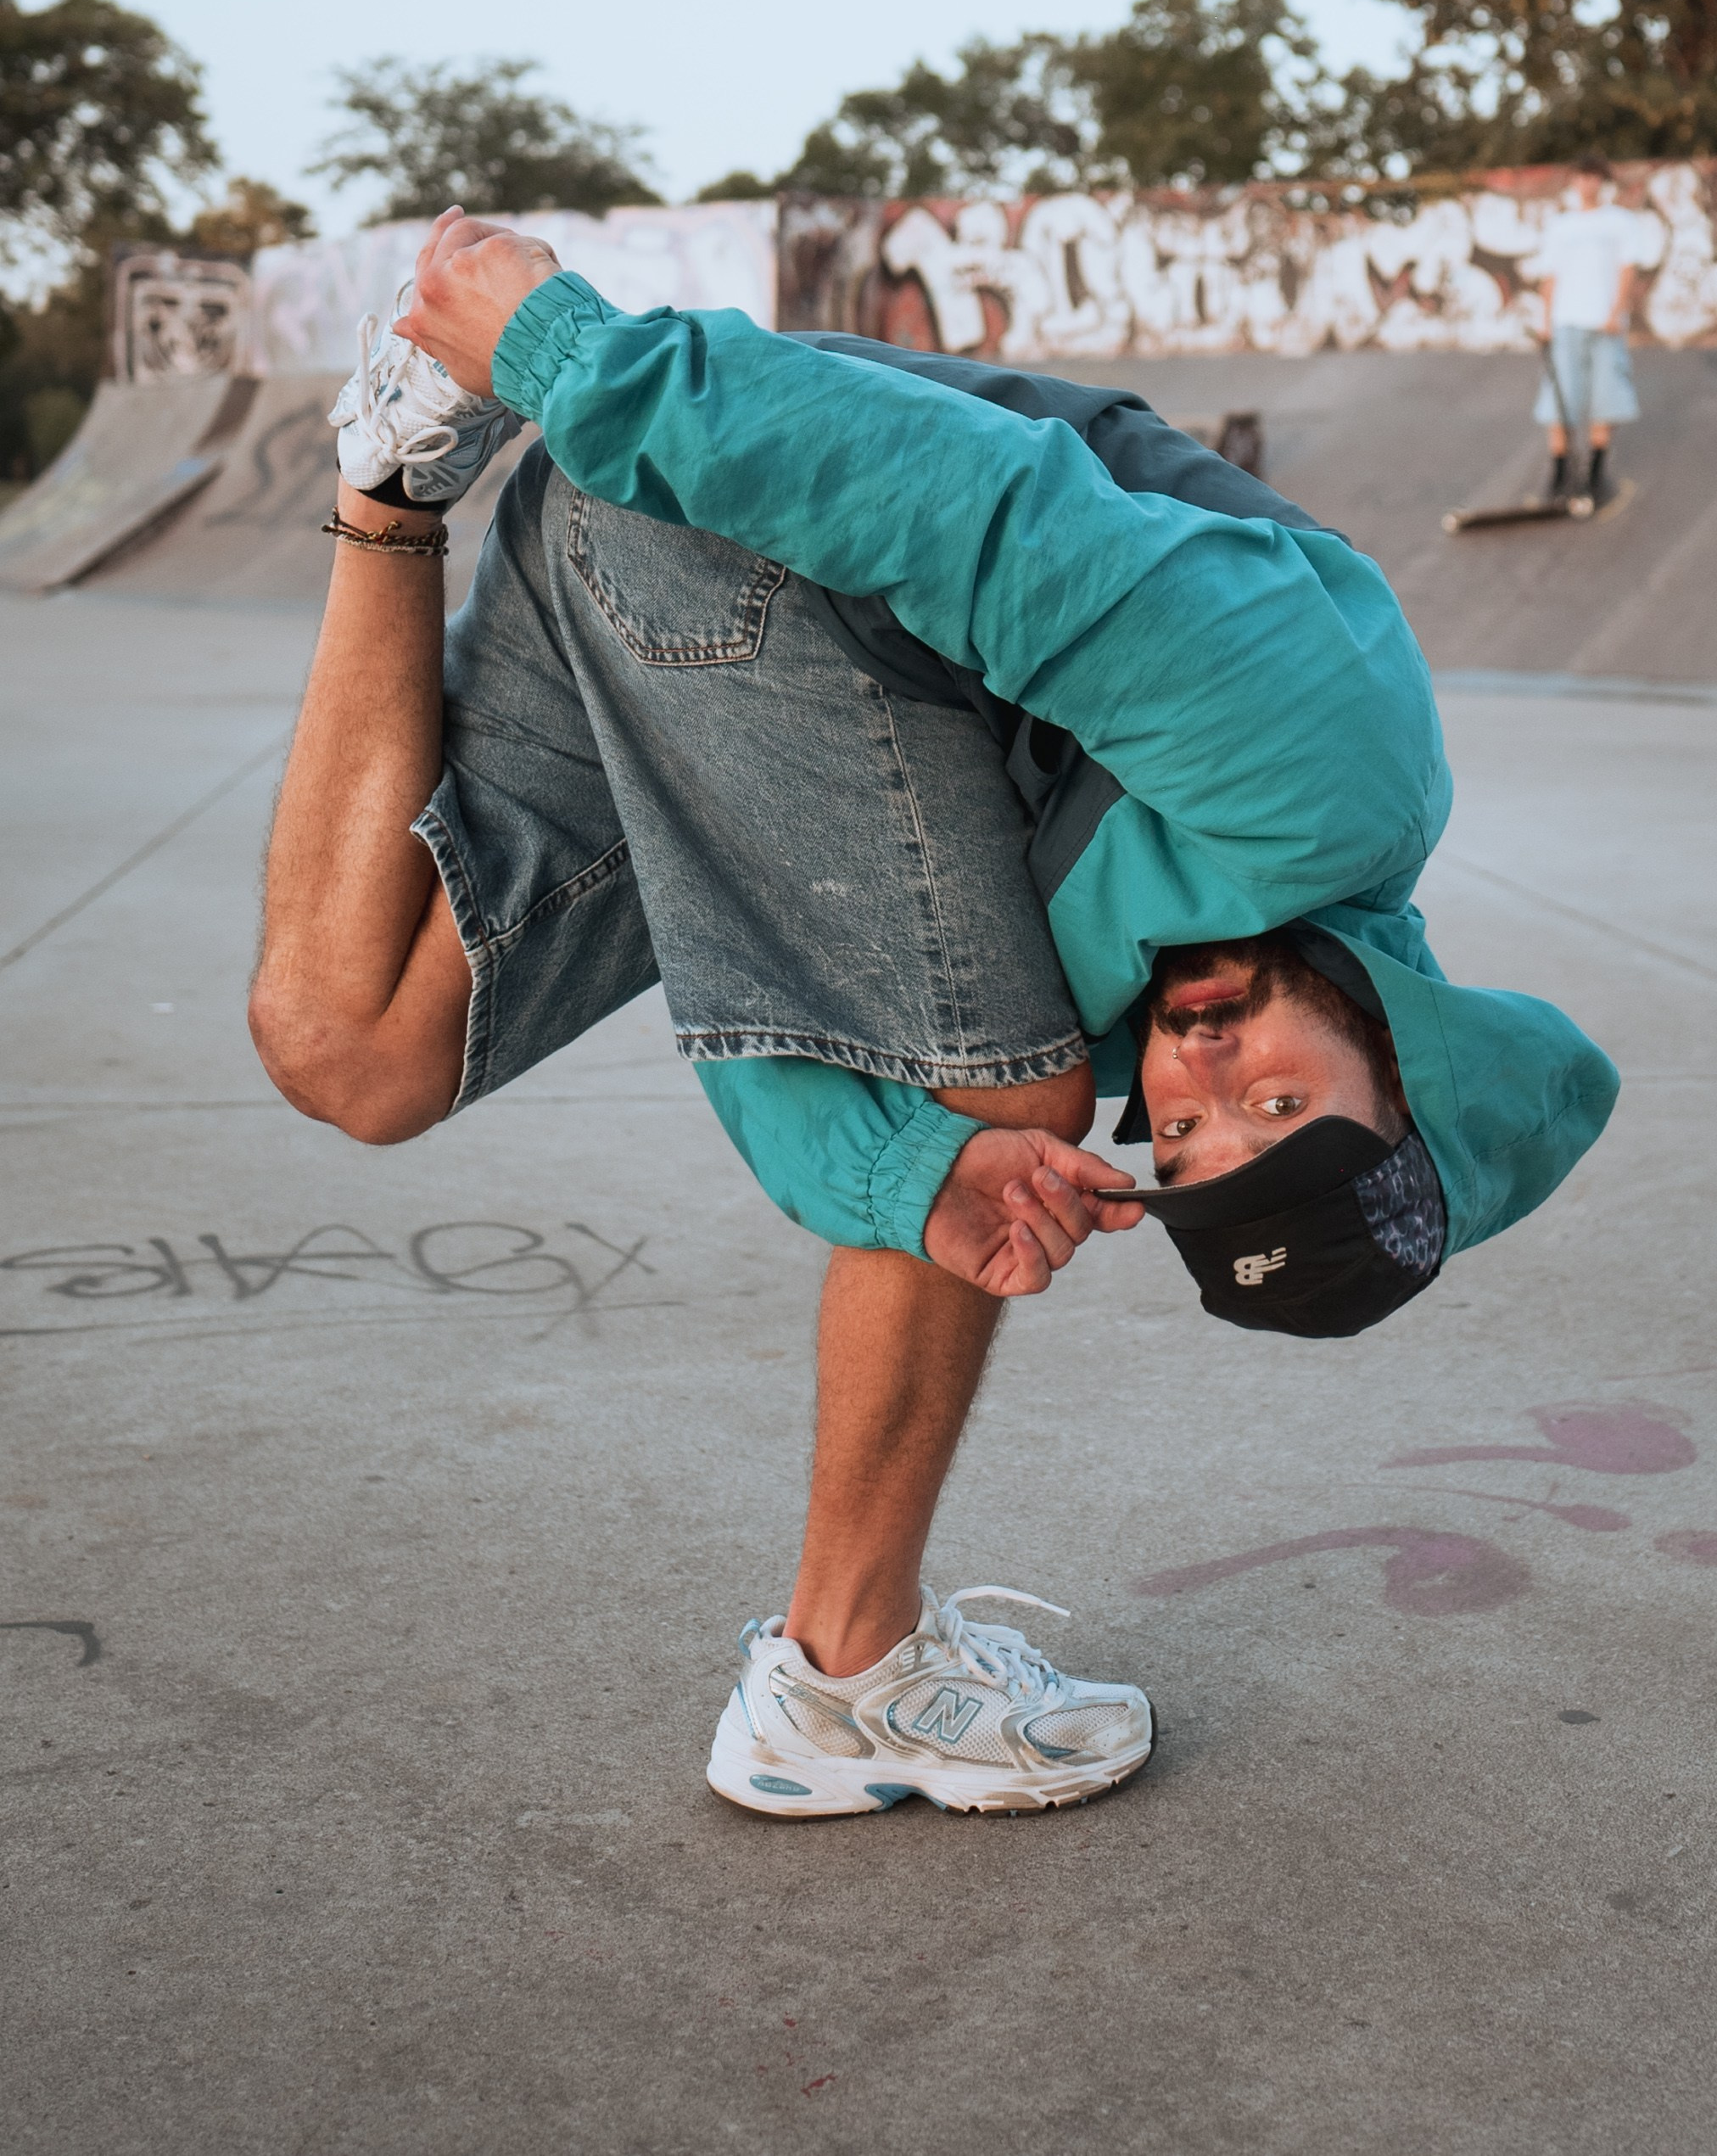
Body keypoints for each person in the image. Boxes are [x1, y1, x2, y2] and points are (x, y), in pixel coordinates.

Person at [249, 210, 1617, 1823]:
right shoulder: (1332, 766)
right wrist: (573, 354)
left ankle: (389, 472)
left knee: (359, 1050)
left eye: (1183, 1134)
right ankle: (844, 1675)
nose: (1201, 1073)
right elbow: (979, 512)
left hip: (645, 569)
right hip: (750, 501)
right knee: (1003, 1098)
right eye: (1275, 1104)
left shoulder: (1149, 991)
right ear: (1404, 1065)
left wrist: (905, 1175)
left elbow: (763, 977)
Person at [1528, 155, 1649, 504]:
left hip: (1605, 322)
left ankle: (1596, 472)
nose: (1588, 184)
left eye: (1595, 178)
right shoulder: (1561, 226)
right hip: (1567, 320)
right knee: (1560, 397)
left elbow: (1628, 269)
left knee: (1605, 396)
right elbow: (1551, 276)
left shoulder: (1619, 221)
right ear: (1574, 182)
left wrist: (1616, 311)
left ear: (1603, 183)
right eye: (1583, 177)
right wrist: (1544, 320)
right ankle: (1560, 471)